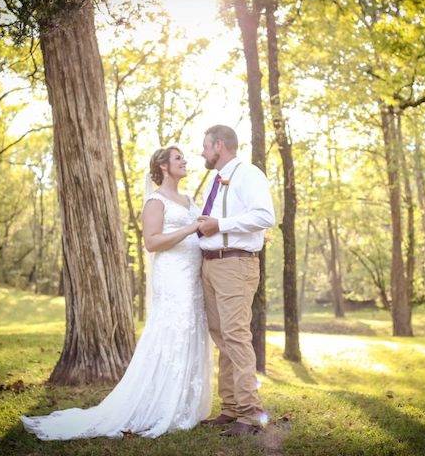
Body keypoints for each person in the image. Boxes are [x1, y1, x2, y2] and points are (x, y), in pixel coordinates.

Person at [20, 146, 212, 440]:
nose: (185, 161)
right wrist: (188, 230)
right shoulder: (155, 201)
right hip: (172, 277)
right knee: (172, 333)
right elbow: (152, 242)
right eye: (178, 158)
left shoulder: (189, 200)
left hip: (193, 278)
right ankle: (159, 404)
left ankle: (185, 405)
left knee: (191, 332)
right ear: (162, 166)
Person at [197, 124, 275, 436]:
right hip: (210, 265)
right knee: (221, 337)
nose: (202, 152)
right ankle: (230, 407)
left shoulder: (248, 174)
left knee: (236, 336)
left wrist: (221, 224)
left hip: (235, 264)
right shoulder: (214, 182)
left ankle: (251, 413)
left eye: (205, 145)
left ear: (219, 145)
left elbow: (265, 216)